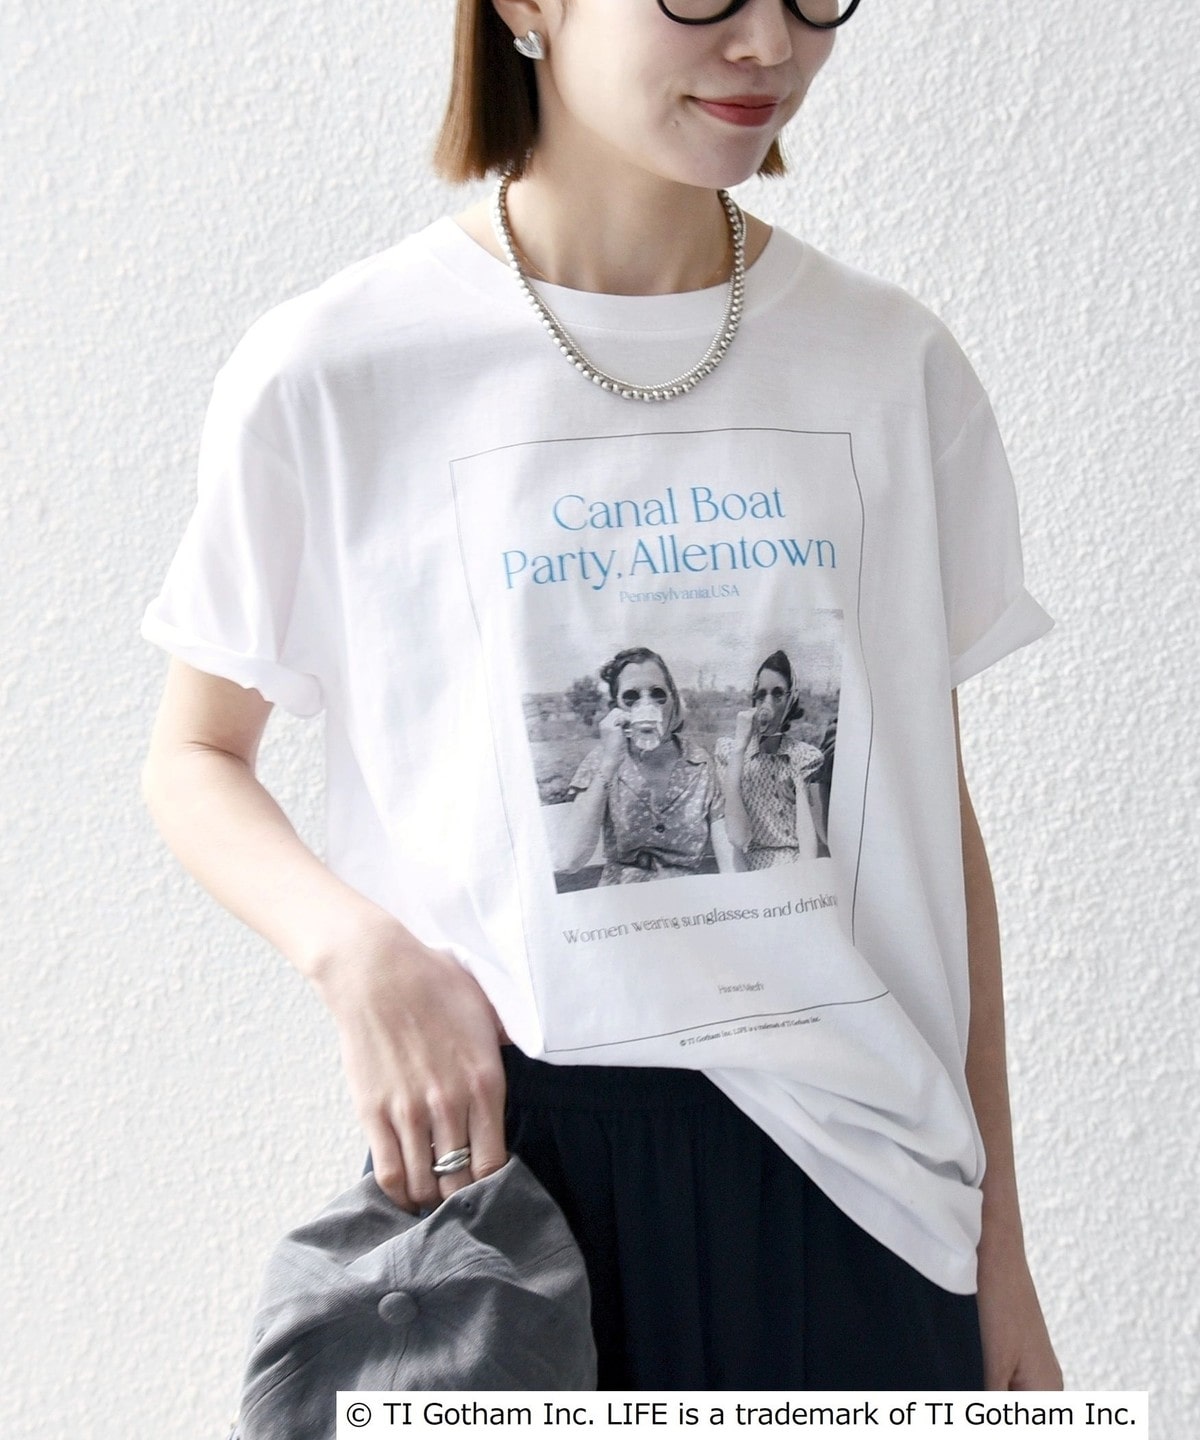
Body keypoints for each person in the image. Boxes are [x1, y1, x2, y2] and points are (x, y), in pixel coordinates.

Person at [142, 0, 1063, 1391]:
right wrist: (359, 955)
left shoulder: (890, 364)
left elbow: (933, 836)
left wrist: (1004, 1264)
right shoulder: (336, 370)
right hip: (513, 1196)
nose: (772, 44)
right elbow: (194, 756)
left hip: (872, 1203)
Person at [562, 647, 727, 884]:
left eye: (658, 694)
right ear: (616, 708)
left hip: (685, 894)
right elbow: (569, 859)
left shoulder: (700, 763)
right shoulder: (602, 761)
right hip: (624, 896)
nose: (647, 705)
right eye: (632, 697)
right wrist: (609, 764)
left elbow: (728, 856)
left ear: (673, 700)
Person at [714, 649, 824, 868]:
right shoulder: (730, 752)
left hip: (794, 867)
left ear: (790, 700)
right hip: (749, 870)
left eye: (777, 694)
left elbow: (808, 845)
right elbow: (737, 837)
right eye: (761, 694)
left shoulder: (802, 757)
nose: (768, 703)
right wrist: (740, 747)